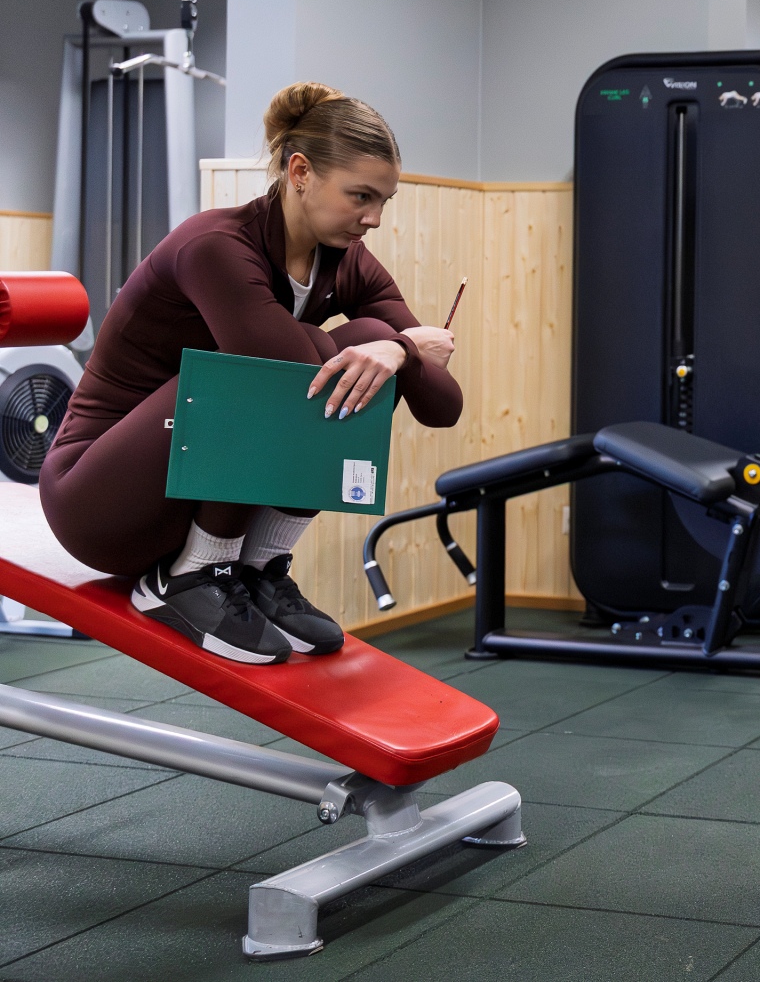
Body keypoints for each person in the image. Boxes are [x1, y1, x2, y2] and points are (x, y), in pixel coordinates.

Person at [39, 83, 461, 664]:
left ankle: (259, 565)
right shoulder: (215, 245)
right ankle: (190, 573)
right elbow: (284, 372)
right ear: (300, 172)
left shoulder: (347, 262)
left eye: (384, 201)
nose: (374, 218)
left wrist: (400, 353)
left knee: (364, 348)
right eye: (361, 196)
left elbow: (444, 407)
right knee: (280, 368)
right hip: (99, 501)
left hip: (181, 493)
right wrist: (405, 344)